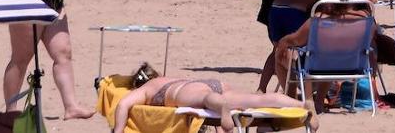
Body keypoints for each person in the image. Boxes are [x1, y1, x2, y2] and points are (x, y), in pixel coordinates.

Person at [272, 0, 395, 109]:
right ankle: (318, 103)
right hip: (353, 67)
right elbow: (373, 37)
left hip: (319, 66)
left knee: (286, 52)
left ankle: (291, 99)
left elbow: (293, 41)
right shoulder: (364, 19)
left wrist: (282, 43)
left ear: (327, 0)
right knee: (329, 57)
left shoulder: (318, 21)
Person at [258, 0, 361, 92]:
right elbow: (318, 9)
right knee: (299, 52)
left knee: (279, 49)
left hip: (276, 9)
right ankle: (297, 92)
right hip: (294, 13)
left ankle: (262, 88)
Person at [112, 70, 306, 133]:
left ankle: (221, 106)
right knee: (257, 99)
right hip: (212, 83)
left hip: (182, 92)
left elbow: (123, 105)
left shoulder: (147, 88)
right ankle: (300, 105)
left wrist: (118, 131)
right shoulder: (167, 77)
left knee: (204, 99)